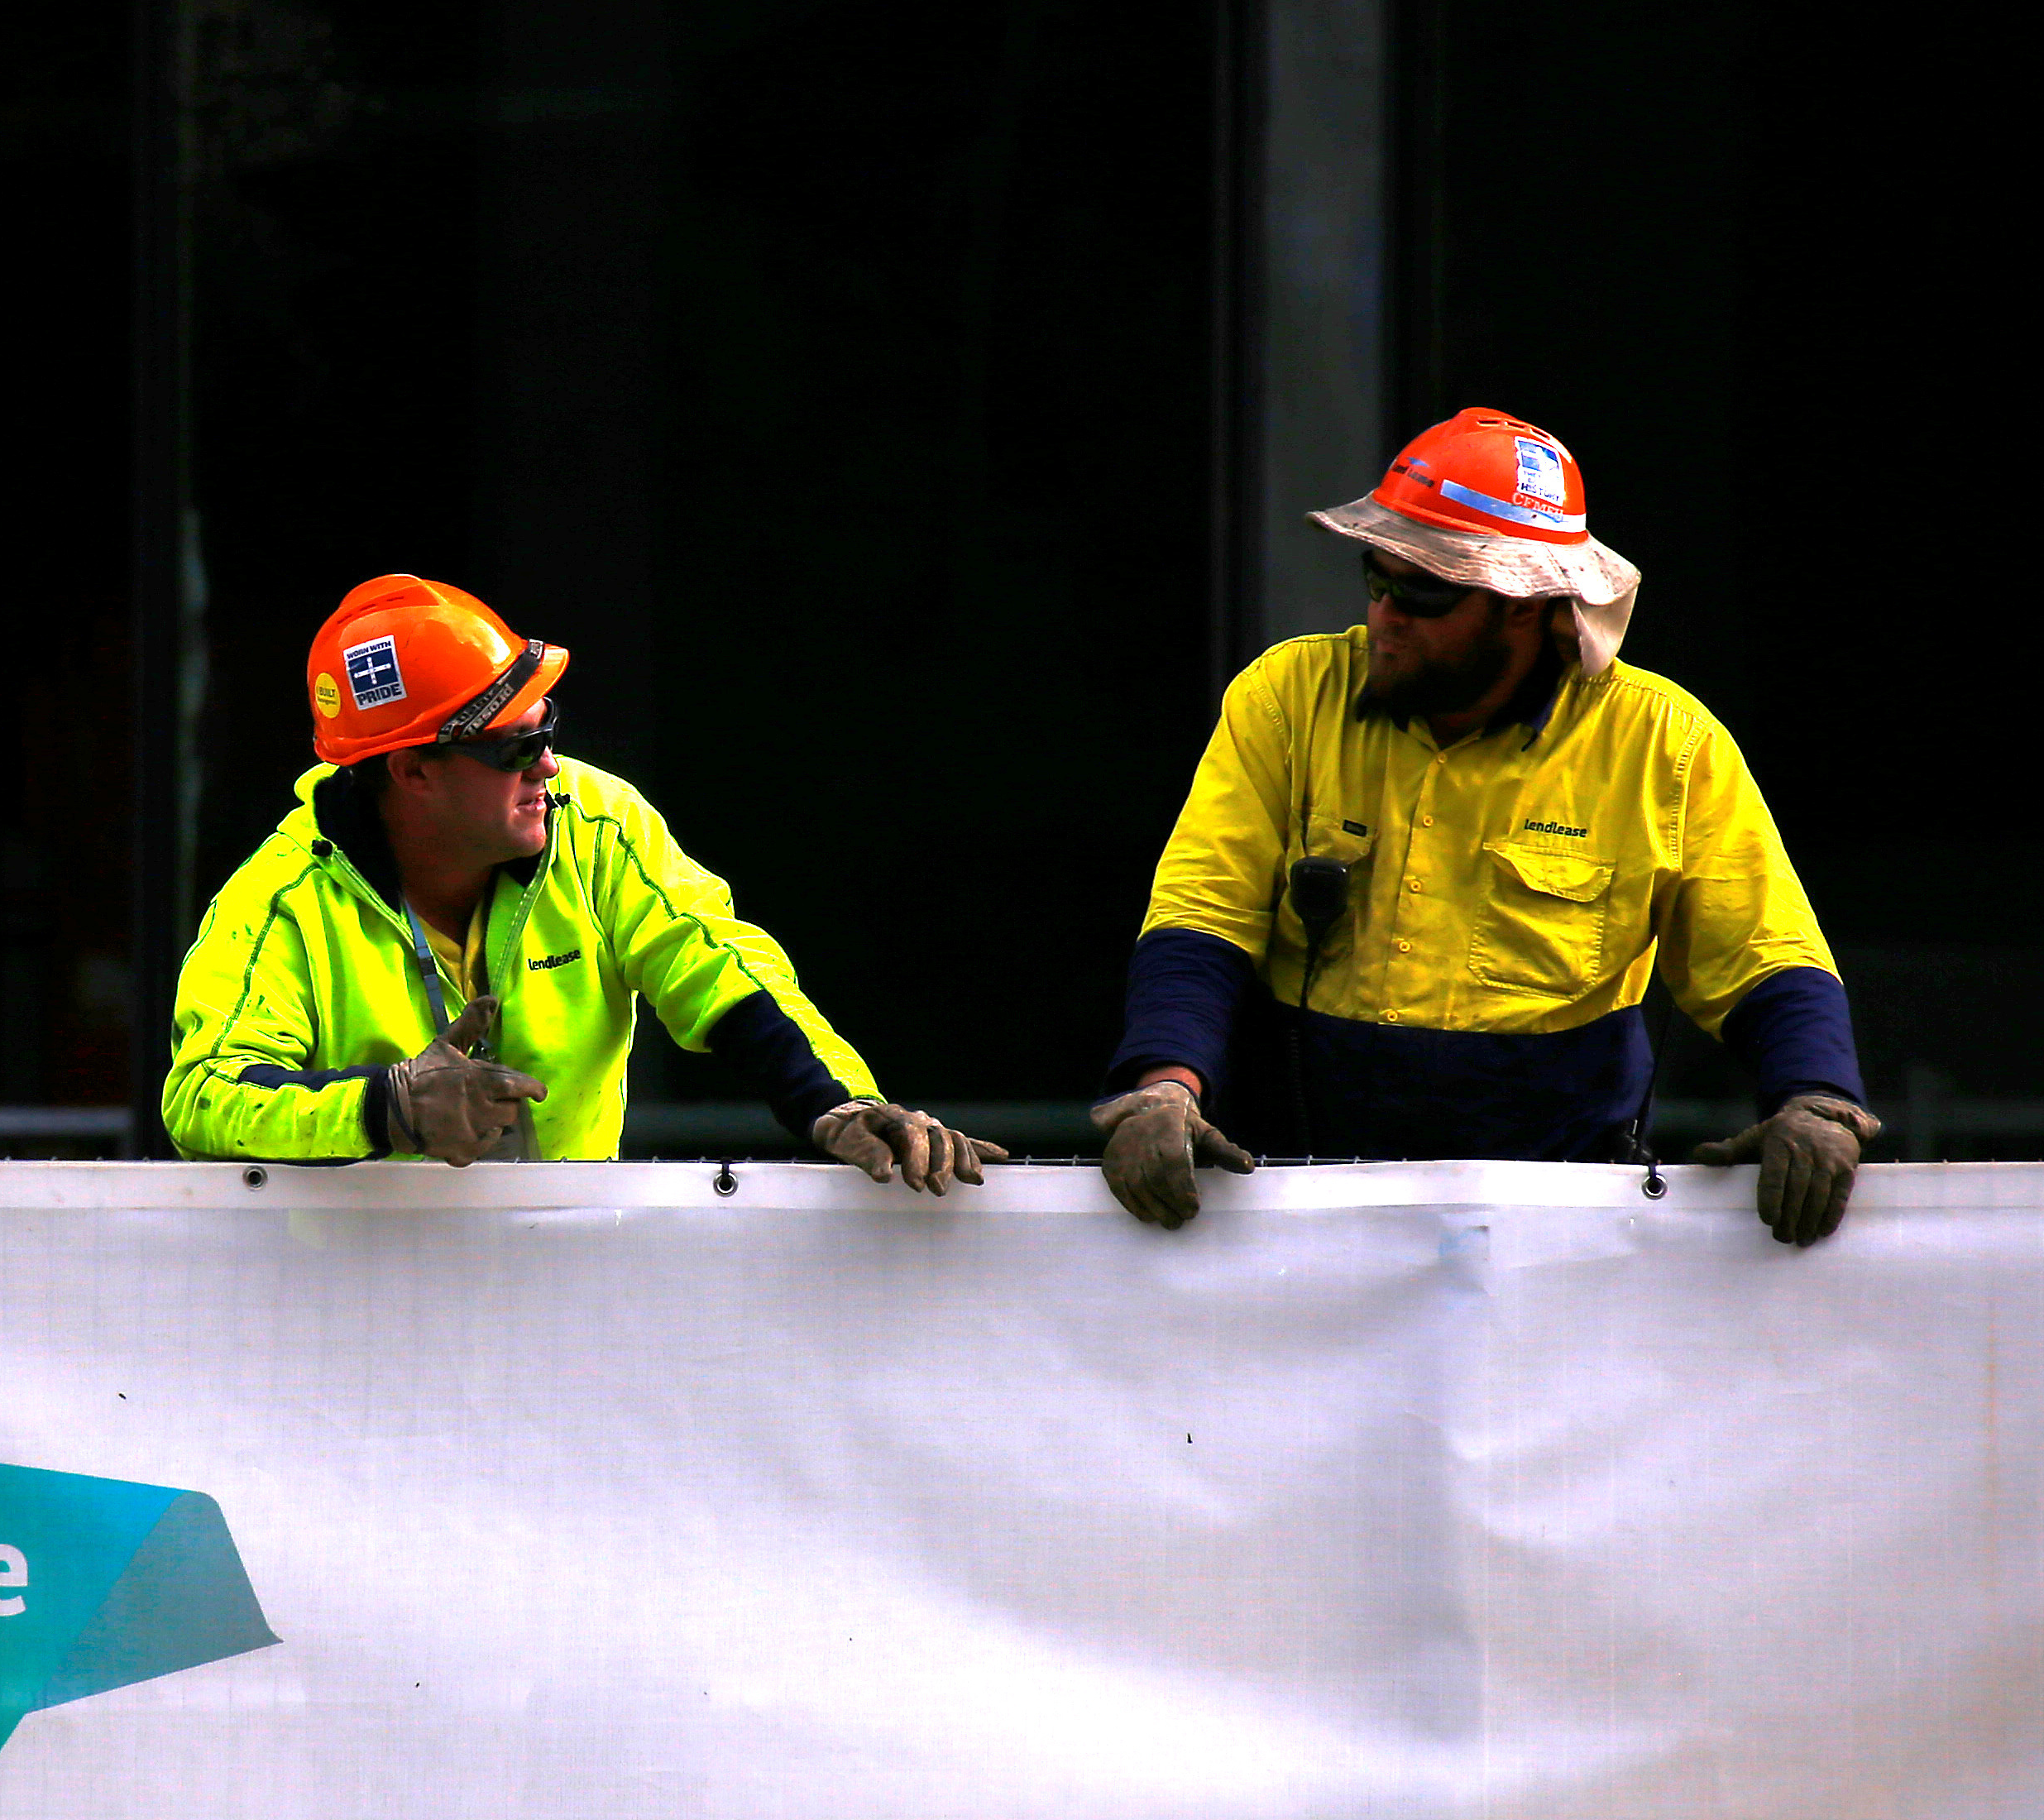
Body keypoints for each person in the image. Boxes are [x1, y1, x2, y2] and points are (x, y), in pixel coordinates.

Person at [1094, 407, 1878, 1243]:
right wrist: (1163, 1087)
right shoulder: (1286, 699)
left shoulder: (1662, 746)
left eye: (1424, 592)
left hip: (1554, 1235)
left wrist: (1817, 1100)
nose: (1386, 614)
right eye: (1376, 577)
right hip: (1293, 1209)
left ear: (1526, 607)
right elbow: (1202, 917)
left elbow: (1765, 959)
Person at [165, 573, 1001, 1188]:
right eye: (514, 749)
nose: (550, 765)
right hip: (353, 1308)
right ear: (415, 772)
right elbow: (202, 1096)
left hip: (563, 1279)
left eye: (547, 729)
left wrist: (838, 1104)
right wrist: (387, 1106)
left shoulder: (595, 821)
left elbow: (719, 966)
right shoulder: (277, 903)